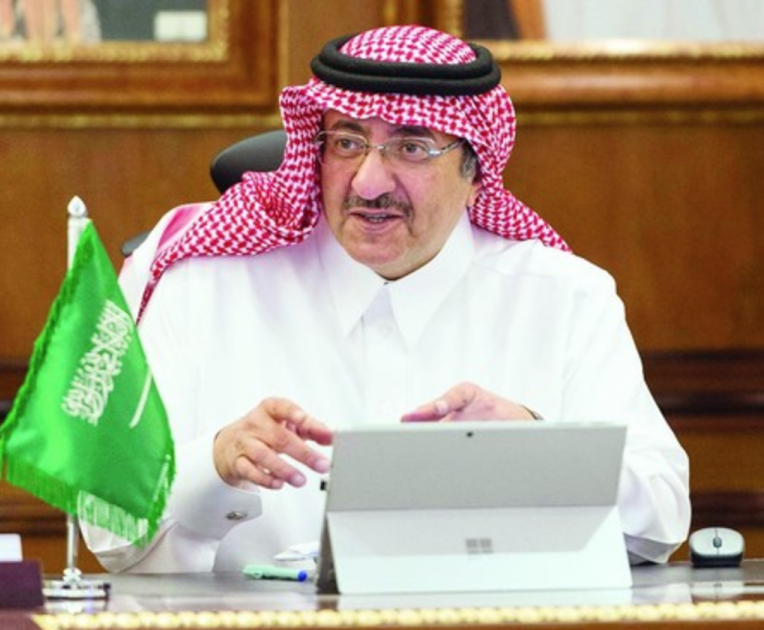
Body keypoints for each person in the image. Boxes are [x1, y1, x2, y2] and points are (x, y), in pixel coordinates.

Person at [82, 25, 690, 572]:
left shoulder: (564, 298)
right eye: (347, 143)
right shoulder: (206, 288)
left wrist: (539, 447)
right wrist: (215, 464)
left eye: (412, 147)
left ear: (476, 171)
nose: (369, 183)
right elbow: (108, 532)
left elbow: (662, 520)